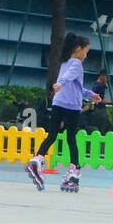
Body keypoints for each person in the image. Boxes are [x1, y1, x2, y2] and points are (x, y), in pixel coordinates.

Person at [26, 33, 99, 193]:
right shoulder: (76, 64)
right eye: (86, 51)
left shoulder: (64, 62)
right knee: (71, 138)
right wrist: (59, 83)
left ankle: (36, 161)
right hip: (71, 106)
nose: (86, 56)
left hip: (58, 103)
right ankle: (74, 173)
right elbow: (68, 77)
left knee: (51, 135)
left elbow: (76, 86)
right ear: (79, 49)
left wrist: (90, 94)